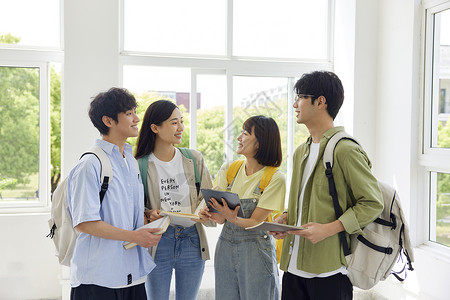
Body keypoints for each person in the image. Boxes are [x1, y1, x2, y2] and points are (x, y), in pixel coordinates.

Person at [271, 71, 384, 300]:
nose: (295, 104)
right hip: (292, 269)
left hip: (329, 272)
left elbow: (373, 203)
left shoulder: (345, 149)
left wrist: (328, 229)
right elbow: (305, 200)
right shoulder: (301, 151)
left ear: (320, 102)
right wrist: (286, 218)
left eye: (300, 97)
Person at [67, 87, 162, 300]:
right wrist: (134, 236)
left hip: (132, 274)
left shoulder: (131, 161)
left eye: (134, 111)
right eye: (129, 113)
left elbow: (122, 210)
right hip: (99, 278)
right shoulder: (90, 164)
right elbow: (84, 223)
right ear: (108, 121)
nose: (137, 118)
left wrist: (147, 216)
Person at [134, 100, 214, 300]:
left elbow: (208, 197)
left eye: (181, 121)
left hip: (192, 239)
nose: (181, 128)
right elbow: (133, 206)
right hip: (159, 240)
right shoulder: (140, 165)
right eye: (174, 122)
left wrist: (205, 211)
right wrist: (147, 213)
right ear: (155, 128)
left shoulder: (194, 158)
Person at [202, 115, 285, 300]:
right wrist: (210, 213)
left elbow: (256, 221)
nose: (239, 137)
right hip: (225, 248)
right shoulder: (229, 170)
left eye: (245, 133)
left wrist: (230, 217)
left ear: (260, 142)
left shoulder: (275, 178)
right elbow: (220, 217)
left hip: (256, 250)